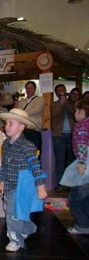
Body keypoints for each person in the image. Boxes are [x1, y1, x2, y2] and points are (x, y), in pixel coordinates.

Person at [0, 108, 48, 252]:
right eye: (6, 123)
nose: (7, 126)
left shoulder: (27, 146)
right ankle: (29, 227)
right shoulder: (6, 144)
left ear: (21, 127)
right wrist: (2, 181)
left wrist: (40, 185)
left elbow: (35, 166)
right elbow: (4, 165)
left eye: (11, 123)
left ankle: (16, 240)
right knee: (15, 211)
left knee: (12, 214)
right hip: (10, 184)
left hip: (23, 185)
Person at [67, 97, 89, 234]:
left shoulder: (81, 126)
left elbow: (82, 145)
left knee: (76, 198)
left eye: (75, 110)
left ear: (82, 111)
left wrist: (81, 162)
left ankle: (82, 225)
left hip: (85, 166)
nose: (74, 113)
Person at [51, 84, 76, 192]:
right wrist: (61, 102)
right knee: (60, 161)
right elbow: (54, 113)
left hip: (72, 134)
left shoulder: (72, 104)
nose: (62, 92)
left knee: (71, 160)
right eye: (59, 91)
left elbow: (75, 113)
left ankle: (71, 183)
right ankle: (61, 183)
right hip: (59, 135)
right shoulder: (54, 104)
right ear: (56, 94)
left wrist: (66, 103)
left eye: (63, 90)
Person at [14, 81, 45, 153]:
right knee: (22, 153)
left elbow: (36, 110)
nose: (28, 90)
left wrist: (21, 113)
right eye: (27, 88)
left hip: (35, 130)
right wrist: (16, 100)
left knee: (35, 153)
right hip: (22, 131)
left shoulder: (40, 99)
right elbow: (16, 112)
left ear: (35, 89)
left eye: (30, 88)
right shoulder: (22, 101)